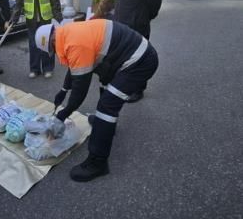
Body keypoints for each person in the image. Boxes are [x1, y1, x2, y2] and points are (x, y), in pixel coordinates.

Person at [35, 20, 159, 182]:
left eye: (53, 50)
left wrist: (62, 115)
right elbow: (74, 68)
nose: (55, 53)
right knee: (105, 86)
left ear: (52, 41)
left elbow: (80, 91)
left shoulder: (75, 44)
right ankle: (105, 127)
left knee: (107, 106)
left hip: (139, 62)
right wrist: (63, 90)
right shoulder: (68, 33)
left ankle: (97, 162)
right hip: (127, 55)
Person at [106, 0, 162, 103]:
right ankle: (124, 86)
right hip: (122, 30)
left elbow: (156, 3)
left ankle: (138, 90)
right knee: (124, 59)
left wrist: (142, 19)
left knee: (138, 60)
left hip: (138, 30)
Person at [12, 0, 63, 78]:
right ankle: (34, 69)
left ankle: (47, 68)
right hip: (31, 19)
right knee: (33, 44)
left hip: (46, 18)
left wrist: (59, 19)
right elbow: (19, 0)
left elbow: (55, 0)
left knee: (47, 43)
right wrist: (14, 18)